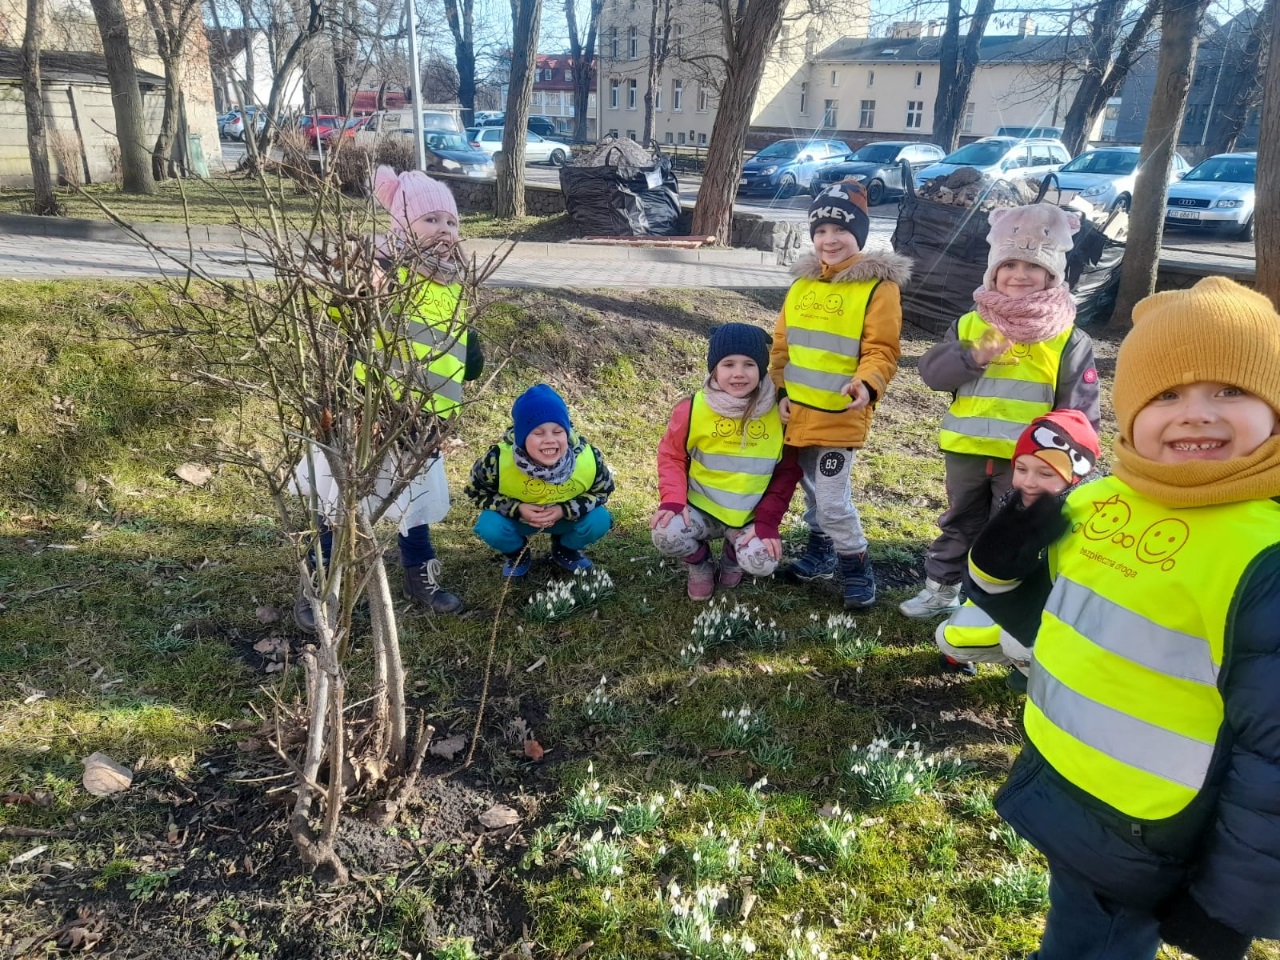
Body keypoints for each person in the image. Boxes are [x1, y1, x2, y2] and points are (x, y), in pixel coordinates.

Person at [967, 276, 1280, 960]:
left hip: (1151, 827)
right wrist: (997, 560)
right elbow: (1042, 614)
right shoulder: (1099, 502)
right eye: (1167, 395)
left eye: (1230, 390)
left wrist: (1231, 902)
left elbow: (1273, 754)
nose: (1195, 415)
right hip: (1062, 778)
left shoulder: (1266, 555)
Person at [292, 167, 482, 631]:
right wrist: (358, 293)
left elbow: (454, 348)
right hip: (370, 413)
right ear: (402, 227)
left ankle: (420, 576)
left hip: (425, 418)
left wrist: (470, 353)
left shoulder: (455, 283)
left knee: (413, 501)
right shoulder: (385, 273)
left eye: (451, 222)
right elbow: (342, 319)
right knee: (342, 502)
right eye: (430, 220)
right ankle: (320, 585)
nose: (444, 230)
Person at [900, 202, 1100, 621]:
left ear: (1052, 275)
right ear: (993, 272)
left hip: (1026, 462)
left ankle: (987, 603)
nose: (1019, 275)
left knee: (1008, 527)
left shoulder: (1067, 336)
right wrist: (973, 355)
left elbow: (1078, 411)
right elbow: (933, 374)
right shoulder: (970, 324)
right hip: (967, 450)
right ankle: (941, 589)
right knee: (959, 521)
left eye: (1033, 267)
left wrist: (1069, 464)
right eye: (1009, 265)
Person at [769, 180, 910, 609]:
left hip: (840, 413)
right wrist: (780, 391)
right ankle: (821, 553)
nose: (829, 240)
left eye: (841, 230)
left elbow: (882, 349)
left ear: (860, 234)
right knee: (813, 491)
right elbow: (782, 346)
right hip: (797, 412)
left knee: (832, 501)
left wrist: (867, 383)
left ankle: (856, 565)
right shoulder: (801, 285)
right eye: (821, 231)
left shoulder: (878, 287)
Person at [934, 409, 1098, 683]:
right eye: (1021, 469)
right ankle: (1007, 658)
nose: (1028, 482)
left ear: (1076, 476)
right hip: (1015, 601)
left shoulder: (1089, 523)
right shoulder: (1016, 503)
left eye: (1045, 473)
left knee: (1018, 643)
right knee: (949, 637)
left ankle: (1042, 681)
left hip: (1064, 620)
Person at [651, 323, 802, 600]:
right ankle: (700, 564)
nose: (738, 373)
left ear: (762, 369)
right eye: (728, 364)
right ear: (714, 369)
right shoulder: (692, 408)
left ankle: (733, 556)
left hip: (749, 516)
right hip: (701, 510)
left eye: (749, 364)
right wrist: (672, 499)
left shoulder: (781, 413)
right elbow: (671, 455)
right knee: (665, 533)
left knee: (764, 561)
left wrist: (767, 521)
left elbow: (787, 473)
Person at [466, 384, 614, 577]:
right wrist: (517, 509)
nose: (550, 439)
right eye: (538, 433)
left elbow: (602, 492)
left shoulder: (589, 458)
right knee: (490, 526)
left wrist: (565, 510)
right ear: (521, 436)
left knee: (599, 519)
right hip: (518, 520)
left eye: (558, 431)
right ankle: (517, 552)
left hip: (567, 519)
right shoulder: (496, 460)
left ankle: (565, 548)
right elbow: (476, 493)